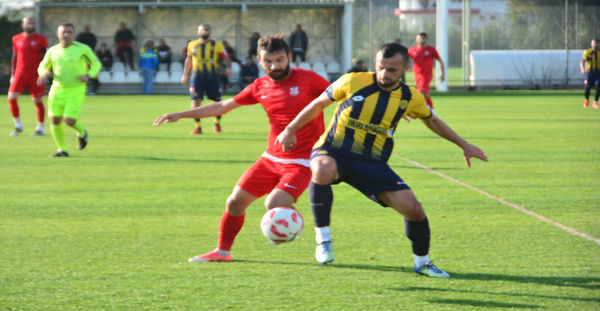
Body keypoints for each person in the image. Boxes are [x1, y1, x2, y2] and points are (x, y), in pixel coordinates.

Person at [275, 42, 488, 278]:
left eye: (392, 70)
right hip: (334, 150)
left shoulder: (409, 97)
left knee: (414, 210)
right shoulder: (353, 81)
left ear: (406, 68)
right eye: (381, 67)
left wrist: (464, 145)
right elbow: (318, 104)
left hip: (372, 163)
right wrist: (290, 129)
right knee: (322, 168)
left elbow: (432, 120)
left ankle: (423, 263)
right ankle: (323, 239)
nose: (385, 74)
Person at [153, 34, 330, 263]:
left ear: (289, 57)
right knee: (234, 202)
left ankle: (294, 225)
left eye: (280, 60)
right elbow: (223, 106)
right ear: (259, 60)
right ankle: (222, 252)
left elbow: (340, 96)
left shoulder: (309, 79)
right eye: (269, 61)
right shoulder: (260, 86)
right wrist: (181, 114)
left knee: (274, 204)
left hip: (302, 161)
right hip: (270, 158)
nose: (275, 66)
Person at [37, 22, 101, 158]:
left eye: (69, 32)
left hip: (76, 89)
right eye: (63, 32)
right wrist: (43, 74)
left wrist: (89, 75)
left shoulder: (83, 49)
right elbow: (42, 66)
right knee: (54, 120)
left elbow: (96, 64)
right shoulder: (52, 51)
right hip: (57, 89)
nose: (66, 34)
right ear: (58, 34)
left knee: (69, 120)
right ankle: (62, 149)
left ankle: (82, 133)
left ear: (74, 34)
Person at [181, 24, 232, 135]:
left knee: (217, 101)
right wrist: (185, 74)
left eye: (206, 30)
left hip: (213, 77)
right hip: (197, 77)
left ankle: (217, 124)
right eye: (202, 30)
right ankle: (198, 127)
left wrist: (228, 67)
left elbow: (226, 57)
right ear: (198, 32)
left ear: (210, 31)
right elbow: (188, 60)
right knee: (195, 101)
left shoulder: (217, 45)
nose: (204, 32)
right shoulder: (192, 44)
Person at [8, 16, 48, 136]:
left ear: (35, 25)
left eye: (32, 23)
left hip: (36, 76)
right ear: (22, 25)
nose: (30, 24)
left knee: (37, 101)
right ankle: (18, 125)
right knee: (11, 98)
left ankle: (40, 128)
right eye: (27, 23)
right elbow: (14, 57)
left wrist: (44, 73)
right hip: (20, 74)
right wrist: (12, 74)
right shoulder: (16, 38)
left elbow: (45, 57)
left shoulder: (41, 39)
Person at [408, 32, 445, 109]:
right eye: (420, 38)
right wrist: (408, 66)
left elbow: (440, 61)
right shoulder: (412, 50)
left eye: (423, 38)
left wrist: (443, 74)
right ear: (416, 39)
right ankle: (431, 109)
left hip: (426, 75)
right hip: (417, 75)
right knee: (425, 93)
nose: (421, 40)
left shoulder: (431, 50)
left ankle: (414, 108)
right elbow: (408, 60)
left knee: (421, 91)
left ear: (426, 39)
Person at [76, 25, 99, 95]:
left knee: (94, 77)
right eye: (86, 28)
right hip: (82, 53)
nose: (87, 29)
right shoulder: (80, 36)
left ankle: (93, 90)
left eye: (87, 28)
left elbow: (94, 43)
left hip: (90, 53)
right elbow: (77, 43)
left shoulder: (92, 36)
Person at [580, 38, 600, 108]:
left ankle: (595, 102)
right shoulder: (588, 52)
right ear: (591, 44)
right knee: (587, 88)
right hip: (590, 73)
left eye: (597, 43)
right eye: (594, 43)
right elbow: (582, 61)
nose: (595, 44)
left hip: (598, 73)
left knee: (599, 86)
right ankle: (587, 99)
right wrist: (582, 69)